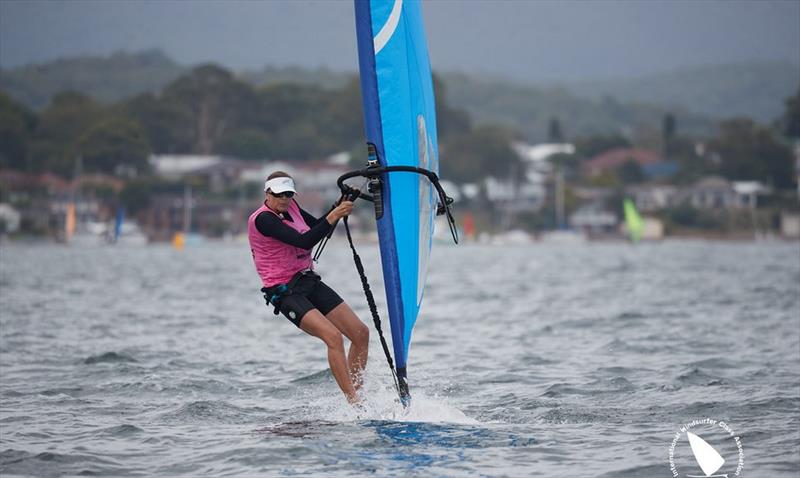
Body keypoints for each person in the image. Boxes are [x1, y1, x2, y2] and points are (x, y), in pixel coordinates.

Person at [248, 171, 369, 405]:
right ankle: (354, 403)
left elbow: (318, 229)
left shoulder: (291, 207)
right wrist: (334, 214)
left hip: (307, 280)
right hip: (284, 291)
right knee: (333, 337)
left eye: (289, 194)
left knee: (360, 333)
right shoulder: (263, 219)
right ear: (267, 193)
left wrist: (340, 205)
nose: (284, 199)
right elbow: (304, 241)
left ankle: (359, 394)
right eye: (279, 194)